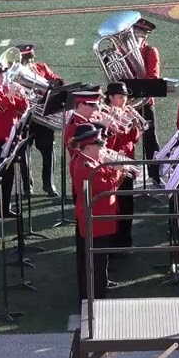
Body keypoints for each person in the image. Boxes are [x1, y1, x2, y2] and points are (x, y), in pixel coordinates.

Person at [70, 124, 129, 300]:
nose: (102, 149)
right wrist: (118, 173)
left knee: (98, 262)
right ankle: (94, 298)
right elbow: (106, 188)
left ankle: (95, 292)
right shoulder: (86, 166)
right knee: (95, 264)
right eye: (98, 146)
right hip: (96, 222)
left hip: (100, 220)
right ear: (87, 147)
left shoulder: (92, 161)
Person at [0, 62, 29, 220]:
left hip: (12, 137)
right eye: (0, 74)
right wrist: (9, 96)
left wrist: (21, 95)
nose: (3, 76)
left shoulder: (6, 89)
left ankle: (4, 207)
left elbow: (22, 108)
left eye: (3, 74)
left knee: (9, 175)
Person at [17, 43, 64, 196]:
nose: (28, 61)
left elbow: (58, 81)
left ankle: (49, 185)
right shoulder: (12, 74)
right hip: (25, 119)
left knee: (48, 152)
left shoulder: (41, 68)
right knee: (24, 154)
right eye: (25, 58)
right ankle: (27, 187)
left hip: (43, 117)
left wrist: (49, 85)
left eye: (29, 58)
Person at [103, 83, 142, 248]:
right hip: (111, 166)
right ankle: (112, 242)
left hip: (127, 163)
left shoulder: (128, 112)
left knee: (127, 205)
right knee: (113, 206)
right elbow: (106, 144)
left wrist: (134, 125)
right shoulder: (104, 114)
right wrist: (114, 122)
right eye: (120, 97)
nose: (124, 100)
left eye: (125, 97)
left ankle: (126, 240)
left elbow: (135, 140)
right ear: (111, 98)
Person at [133, 17, 163, 179]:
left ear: (146, 36)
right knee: (124, 140)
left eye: (141, 33)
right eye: (136, 32)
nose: (138, 36)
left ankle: (155, 174)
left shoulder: (150, 51)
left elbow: (153, 78)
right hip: (123, 102)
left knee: (150, 139)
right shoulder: (121, 52)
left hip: (144, 102)